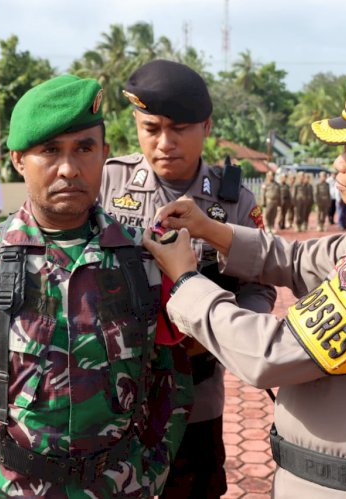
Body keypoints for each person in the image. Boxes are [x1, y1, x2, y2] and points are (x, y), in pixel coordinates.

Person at [144, 74, 346, 498]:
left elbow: (274, 354)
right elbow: (300, 260)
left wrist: (187, 282)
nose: (338, 163)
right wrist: (211, 229)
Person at [0, 74, 193, 498]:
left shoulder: (146, 261)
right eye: (49, 150)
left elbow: (171, 385)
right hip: (2, 487)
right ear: (18, 160)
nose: (69, 168)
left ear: (105, 154)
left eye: (84, 148)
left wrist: (151, 472)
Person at [99, 59, 274, 499]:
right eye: (151, 128)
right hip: (112, 391)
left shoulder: (233, 201)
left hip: (196, 388)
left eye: (178, 128)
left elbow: (258, 285)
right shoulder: (107, 182)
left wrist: (231, 336)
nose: (164, 142)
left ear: (207, 126)